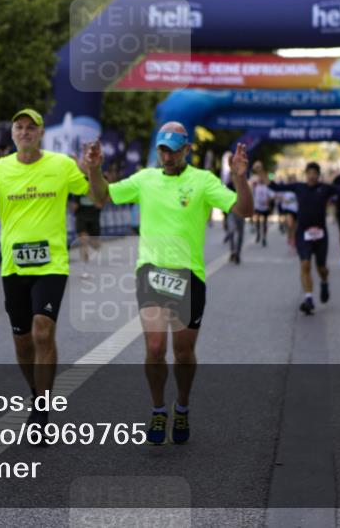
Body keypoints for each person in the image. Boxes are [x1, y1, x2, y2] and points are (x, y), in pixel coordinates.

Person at [84, 123, 252, 445]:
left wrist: (241, 178)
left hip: (189, 277)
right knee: (156, 348)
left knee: (184, 352)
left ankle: (183, 405)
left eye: (174, 149)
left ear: (187, 150)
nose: (168, 155)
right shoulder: (145, 179)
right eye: (163, 149)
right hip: (151, 273)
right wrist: (95, 169)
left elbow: (245, 210)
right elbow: (102, 197)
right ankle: (159, 408)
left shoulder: (203, 181)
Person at [0, 109, 89, 431]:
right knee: (23, 342)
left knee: (43, 329)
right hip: (14, 267)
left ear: (41, 133)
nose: (25, 132)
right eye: (19, 127)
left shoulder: (61, 165)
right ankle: (34, 392)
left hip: (52, 263)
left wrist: (93, 171)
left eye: (31, 127)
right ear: (12, 135)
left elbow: (95, 195)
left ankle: (42, 410)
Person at [267, 162, 340, 315]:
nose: (312, 176)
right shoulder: (298, 187)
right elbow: (274, 187)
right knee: (305, 264)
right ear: (306, 174)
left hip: (321, 236)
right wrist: (262, 173)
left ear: (318, 175)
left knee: (322, 268)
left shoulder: (325, 189)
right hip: (303, 234)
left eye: (315, 173)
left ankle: (324, 282)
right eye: (310, 173)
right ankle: (309, 298)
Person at [69, 192, 102, 279]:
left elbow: (100, 205)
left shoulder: (96, 188)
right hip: (81, 219)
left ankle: (90, 246)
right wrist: (72, 204)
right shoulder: (78, 190)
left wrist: (93, 197)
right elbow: (73, 207)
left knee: (96, 245)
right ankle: (84, 269)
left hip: (94, 219)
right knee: (84, 243)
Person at [250, 162, 275, 246]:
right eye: (259, 178)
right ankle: (258, 234)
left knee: (264, 223)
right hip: (257, 207)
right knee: (256, 220)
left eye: (261, 178)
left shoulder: (267, 187)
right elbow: (251, 193)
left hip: (265, 207)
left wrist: (268, 201)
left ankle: (264, 237)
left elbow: (272, 196)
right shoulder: (255, 186)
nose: (260, 179)